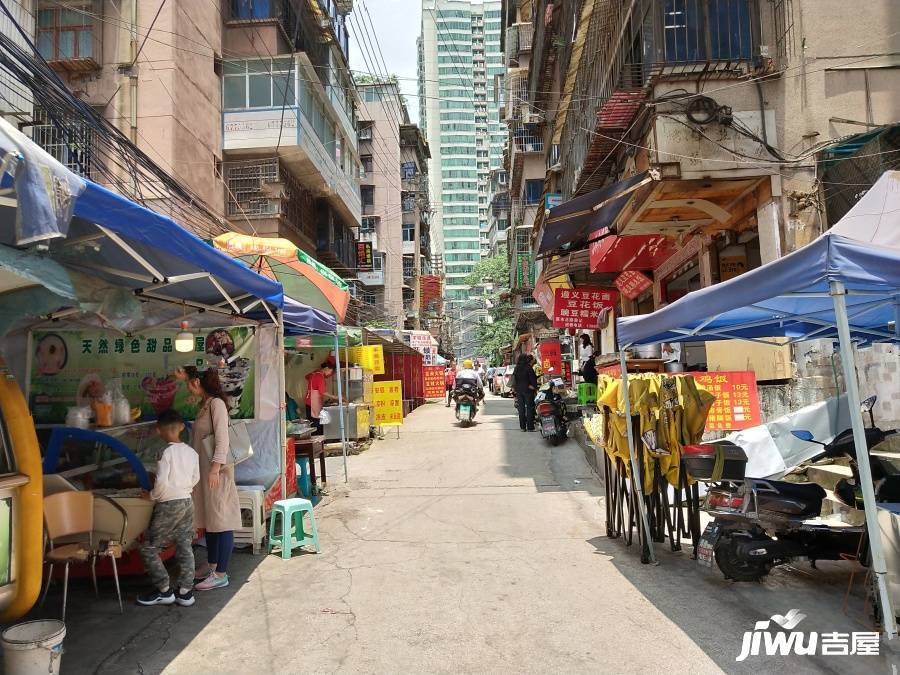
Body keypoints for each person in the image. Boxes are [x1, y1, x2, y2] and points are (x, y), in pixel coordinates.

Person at [176, 365, 241, 592]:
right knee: (211, 520)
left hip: (217, 473)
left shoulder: (217, 404)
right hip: (204, 473)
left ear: (197, 383)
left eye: (189, 383)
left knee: (221, 521)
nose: (187, 388)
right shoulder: (204, 405)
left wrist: (215, 469)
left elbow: (222, 440)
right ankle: (212, 565)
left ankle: (221, 574)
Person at [137, 410, 200, 607]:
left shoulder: (165, 453)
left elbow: (161, 482)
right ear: (182, 427)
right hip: (187, 501)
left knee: (148, 548)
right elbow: (195, 478)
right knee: (184, 545)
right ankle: (186, 592)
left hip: (168, 504)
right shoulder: (192, 452)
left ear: (158, 430)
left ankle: (164, 590)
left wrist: (152, 496)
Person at [305, 358, 337, 434]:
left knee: (312, 422)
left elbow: (306, 377)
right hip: (313, 402)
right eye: (330, 371)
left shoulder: (314, 374)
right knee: (317, 423)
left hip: (308, 401)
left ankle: (314, 440)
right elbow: (323, 392)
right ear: (326, 368)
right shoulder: (320, 376)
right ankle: (317, 441)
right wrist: (335, 397)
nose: (329, 374)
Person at [512, 354, 538, 431]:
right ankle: (530, 427)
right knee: (529, 408)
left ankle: (523, 427)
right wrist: (534, 387)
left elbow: (515, 380)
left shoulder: (516, 368)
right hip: (528, 390)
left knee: (521, 409)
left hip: (519, 391)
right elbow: (533, 379)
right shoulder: (528, 368)